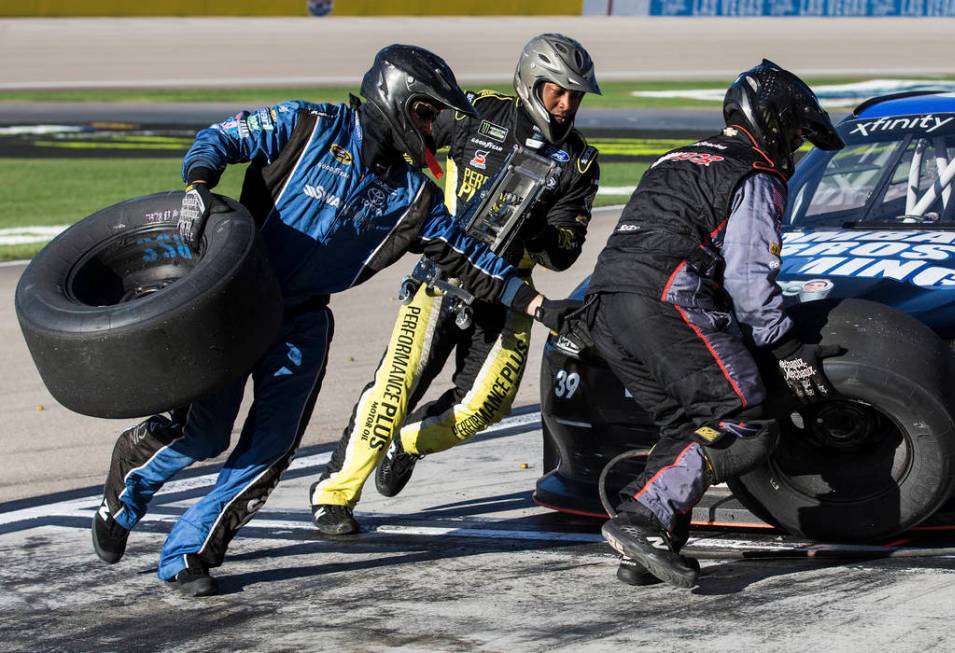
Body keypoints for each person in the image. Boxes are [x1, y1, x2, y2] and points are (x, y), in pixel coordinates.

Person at [89, 44, 574, 597]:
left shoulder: (415, 195)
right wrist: (198, 185)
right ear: (396, 97)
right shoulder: (307, 123)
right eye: (429, 112)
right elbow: (221, 137)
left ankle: (188, 553)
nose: (438, 128)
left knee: (270, 450)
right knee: (202, 435)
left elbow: (471, 258)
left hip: (302, 324)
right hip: (232, 302)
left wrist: (539, 306)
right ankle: (124, 489)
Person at [308, 33, 601, 535]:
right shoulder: (478, 113)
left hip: (512, 293)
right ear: (532, 83)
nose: (566, 104)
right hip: (441, 276)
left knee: (483, 408)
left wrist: (537, 229)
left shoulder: (580, 162)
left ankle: (406, 443)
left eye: (575, 94)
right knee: (393, 390)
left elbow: (566, 251)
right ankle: (333, 495)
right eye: (558, 91)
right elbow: (406, 128)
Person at [573, 59, 845, 588]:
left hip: (604, 304)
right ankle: (642, 519)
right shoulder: (757, 172)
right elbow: (748, 279)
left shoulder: (680, 156)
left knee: (686, 424)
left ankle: (647, 547)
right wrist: (786, 346)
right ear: (772, 122)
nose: (793, 146)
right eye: (794, 132)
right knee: (740, 419)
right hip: (666, 301)